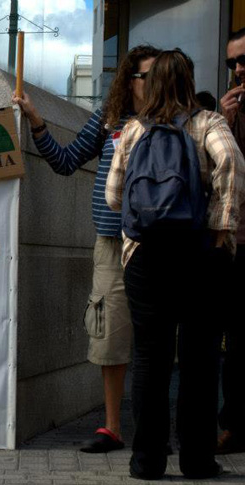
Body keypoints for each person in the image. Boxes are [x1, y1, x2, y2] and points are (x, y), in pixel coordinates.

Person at [13, 45, 160, 453]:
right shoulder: (109, 119)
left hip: (157, 247)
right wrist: (36, 119)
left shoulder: (172, 123)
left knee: (156, 342)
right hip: (112, 245)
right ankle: (111, 428)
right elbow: (65, 161)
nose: (153, 83)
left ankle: (154, 430)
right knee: (109, 337)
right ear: (129, 80)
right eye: (146, 75)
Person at [106, 50, 244, 480]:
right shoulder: (208, 123)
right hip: (200, 254)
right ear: (187, 80)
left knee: (151, 357)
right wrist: (220, 227)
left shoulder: (133, 129)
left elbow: (114, 194)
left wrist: (138, 228)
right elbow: (232, 165)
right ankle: (197, 460)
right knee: (201, 360)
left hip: (146, 258)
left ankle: (146, 461)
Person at [215, 26, 245, 456]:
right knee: (236, 341)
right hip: (238, 244)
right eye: (232, 63)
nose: (239, 70)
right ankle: (233, 425)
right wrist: (227, 124)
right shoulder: (227, 115)